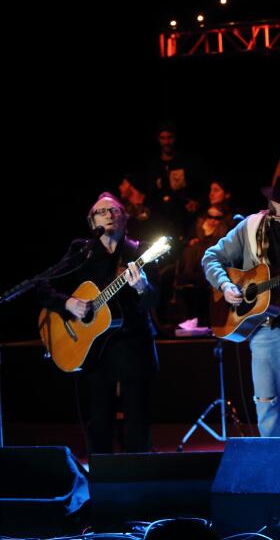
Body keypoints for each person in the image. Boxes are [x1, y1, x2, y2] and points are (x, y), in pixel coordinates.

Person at [202, 176, 280, 437]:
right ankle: (276, 462)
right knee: (266, 401)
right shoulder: (251, 227)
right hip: (262, 328)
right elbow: (211, 256)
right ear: (273, 203)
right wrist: (225, 285)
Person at [37, 193, 159, 453]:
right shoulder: (82, 251)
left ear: (125, 219)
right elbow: (43, 285)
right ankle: (103, 480)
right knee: (99, 419)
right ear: (93, 223)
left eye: (114, 210)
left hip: (133, 342)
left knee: (138, 417)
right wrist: (68, 303)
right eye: (101, 212)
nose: (108, 215)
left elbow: (154, 301)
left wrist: (142, 288)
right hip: (93, 347)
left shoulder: (141, 251)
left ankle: (139, 481)